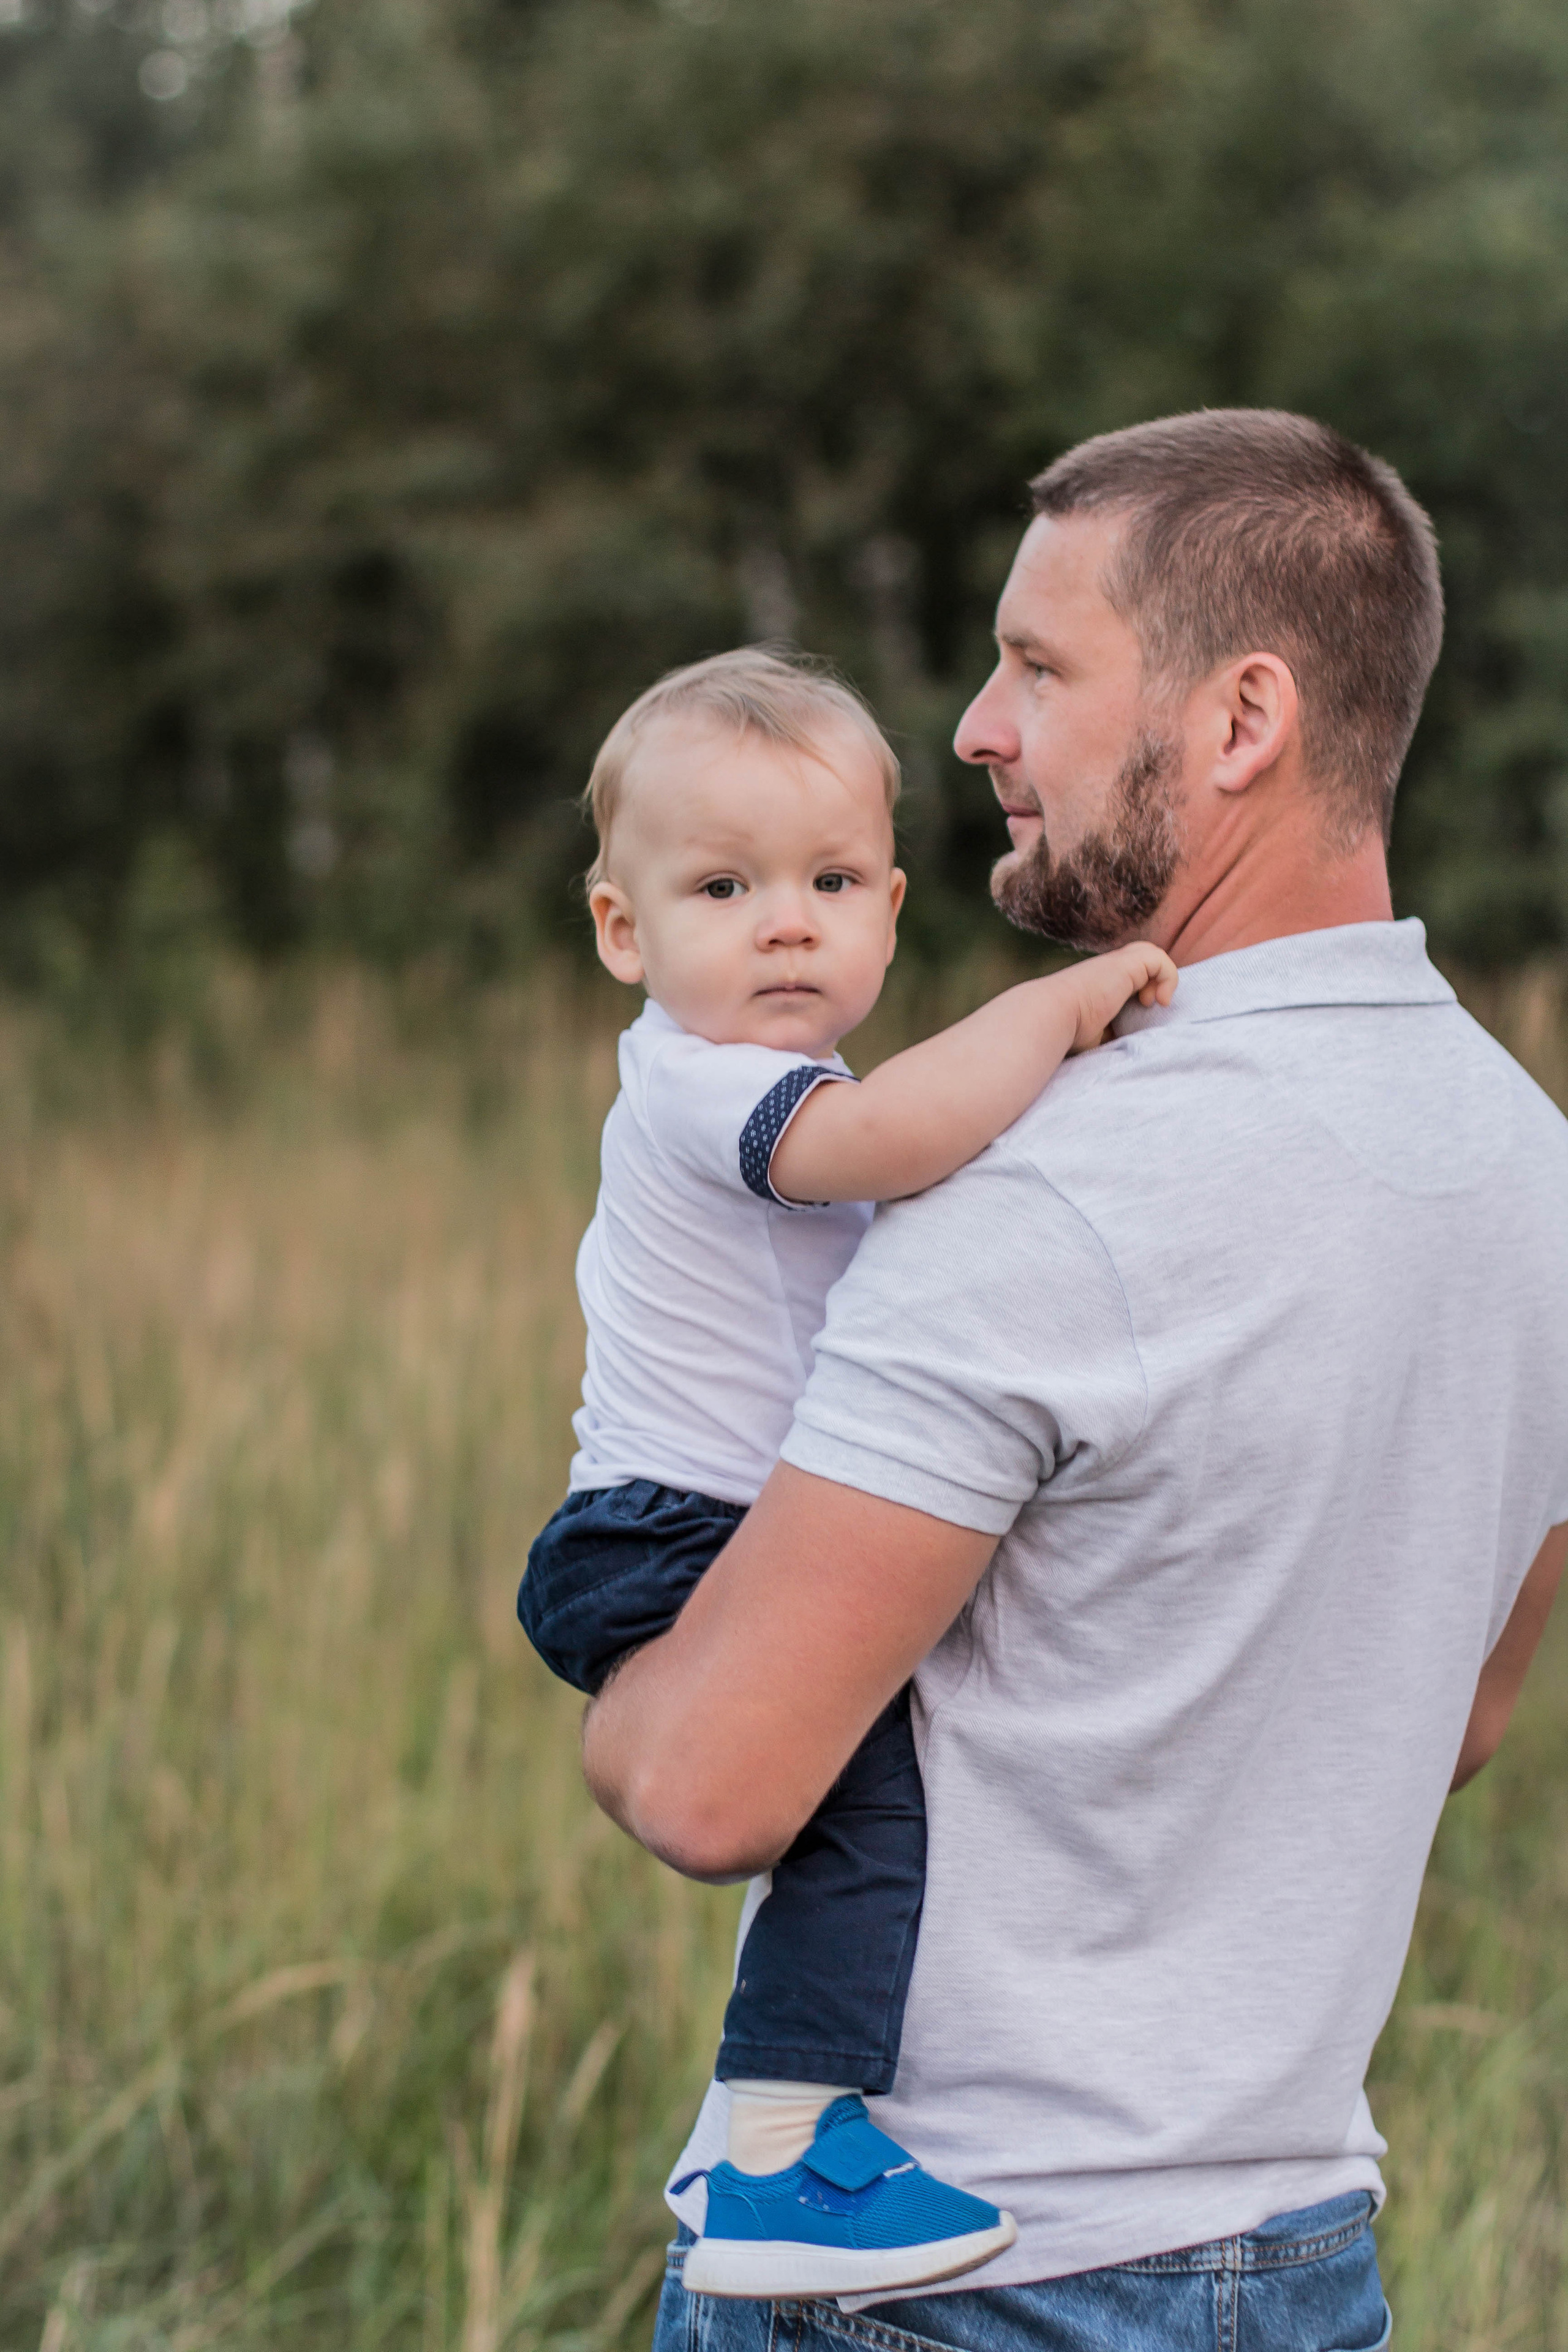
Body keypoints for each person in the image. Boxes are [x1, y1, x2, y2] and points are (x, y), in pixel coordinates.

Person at [582, 409, 1568, 2352]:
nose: (973, 726)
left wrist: (624, 1700)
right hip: (1294, 2254)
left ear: (1239, 720)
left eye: (1039, 668)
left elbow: (707, 1788)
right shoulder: (1534, 1166)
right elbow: (1449, 1715)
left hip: (944, 2282)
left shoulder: (1032, 1188)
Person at [519, 644, 1176, 2297]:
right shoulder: (704, 1083)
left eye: (826, 882)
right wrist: (1052, 1008)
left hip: (705, 1526)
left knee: (859, 1799)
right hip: (666, 1531)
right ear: (625, 932)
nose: (786, 922)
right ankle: (786, 2153)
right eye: (725, 886)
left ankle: (801, 2128)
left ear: (888, 906)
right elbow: (876, 1144)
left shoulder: (773, 1077)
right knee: (859, 1808)